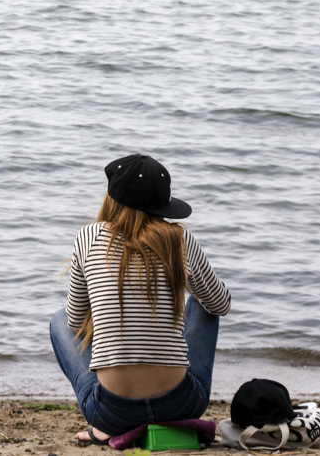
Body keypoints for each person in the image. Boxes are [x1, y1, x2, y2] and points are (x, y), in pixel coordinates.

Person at [49, 154, 231, 444]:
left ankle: (105, 427)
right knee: (204, 301)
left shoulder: (88, 237)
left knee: (59, 320)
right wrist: (178, 280)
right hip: (183, 405)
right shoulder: (179, 239)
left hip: (110, 412)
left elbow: (74, 320)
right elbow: (221, 304)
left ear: (112, 199)